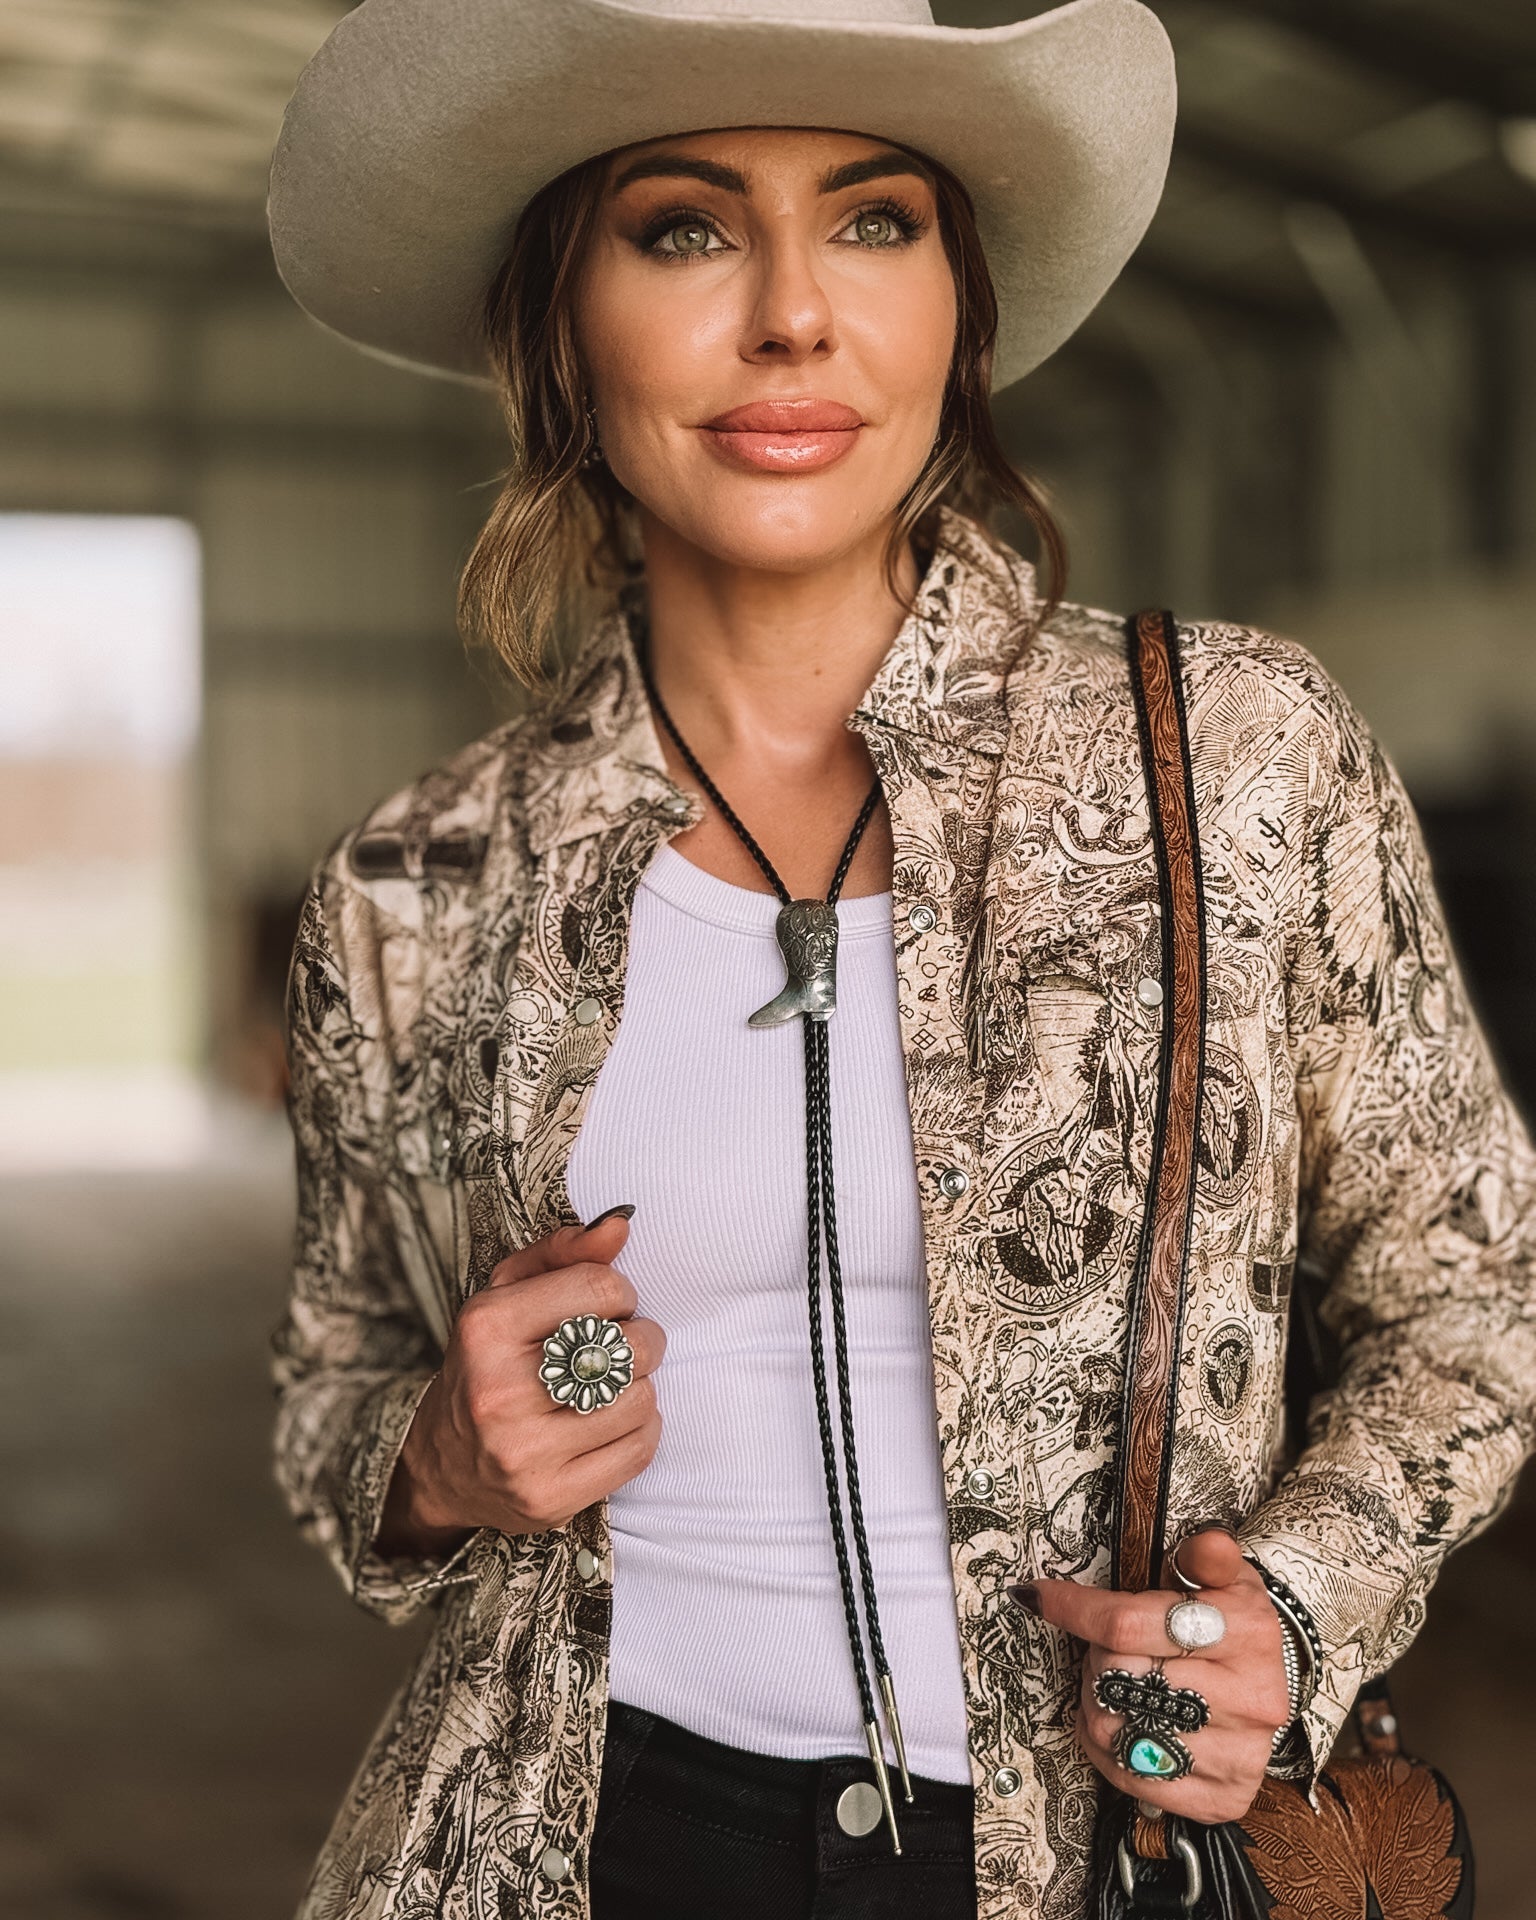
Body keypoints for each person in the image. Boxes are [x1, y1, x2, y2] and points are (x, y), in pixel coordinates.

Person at [265, 2, 1536, 1917]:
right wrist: (436, 1452)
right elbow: (328, 1388)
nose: (793, 315)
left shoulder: (1236, 761)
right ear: (555, 328)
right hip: (584, 1841)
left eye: (873, 223)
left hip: (1082, 1853)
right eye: (684, 228)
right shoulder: (419, 886)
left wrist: (1290, 1599)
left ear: (960, 307)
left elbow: (1478, 1294)